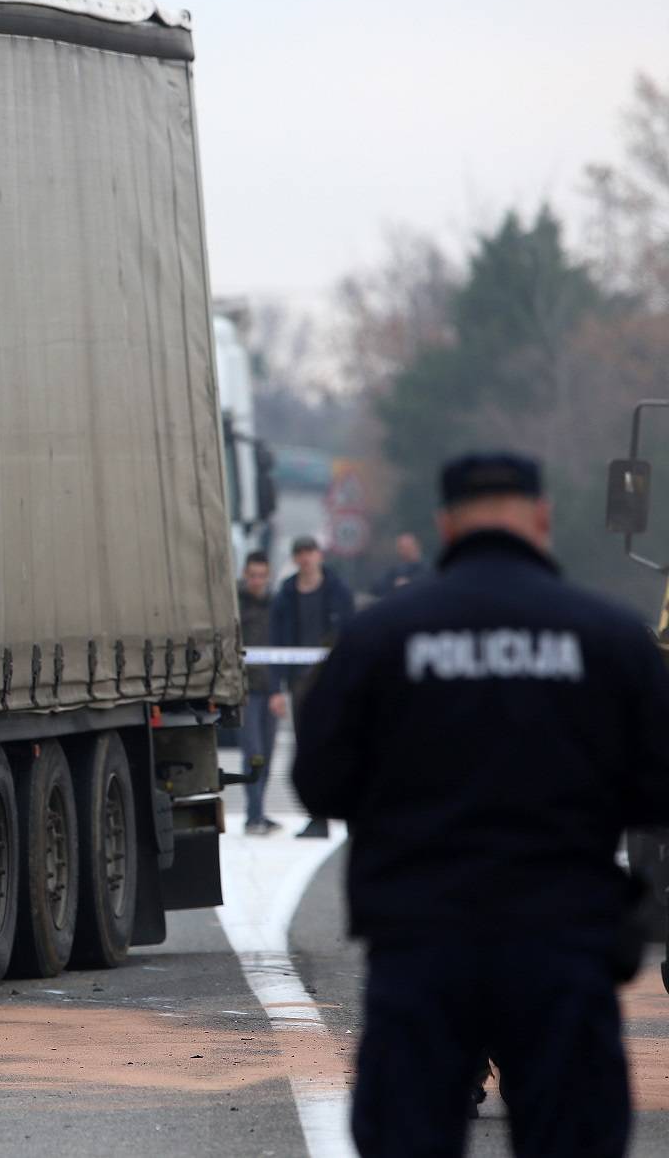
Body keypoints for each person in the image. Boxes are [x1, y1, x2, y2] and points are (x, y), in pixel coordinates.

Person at [292, 452, 669, 1157]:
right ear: (542, 518)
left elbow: (320, 784)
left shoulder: (382, 639)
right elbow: (657, 788)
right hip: (563, 951)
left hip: (421, 948)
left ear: (444, 525)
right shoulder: (611, 640)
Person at [270, 534, 355, 837]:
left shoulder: (338, 590)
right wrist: (276, 688)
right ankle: (317, 816)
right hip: (299, 682)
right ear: (295, 558)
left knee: (341, 743)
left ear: (319, 555)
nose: (306, 558)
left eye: (310, 552)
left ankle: (347, 811)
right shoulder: (286, 594)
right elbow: (276, 641)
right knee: (307, 746)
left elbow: (349, 630)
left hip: (331, 680)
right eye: (301, 553)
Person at [236, 550, 283, 834]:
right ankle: (252, 815)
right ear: (245, 575)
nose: (257, 581)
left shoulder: (276, 606)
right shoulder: (237, 606)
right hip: (246, 690)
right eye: (252, 575)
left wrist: (279, 690)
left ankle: (260, 812)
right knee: (252, 753)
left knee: (266, 753)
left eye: (261, 576)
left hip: (269, 689)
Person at [372, 531, 429, 597]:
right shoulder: (395, 570)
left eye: (407, 547)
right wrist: (394, 585)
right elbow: (376, 588)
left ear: (417, 546)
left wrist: (410, 583)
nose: (404, 551)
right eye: (401, 547)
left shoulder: (427, 568)